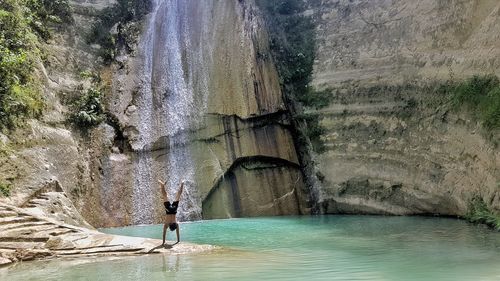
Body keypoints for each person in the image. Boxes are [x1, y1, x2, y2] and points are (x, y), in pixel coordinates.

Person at [158, 179, 184, 247]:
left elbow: (177, 233)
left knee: (178, 195)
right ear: (170, 226)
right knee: (165, 195)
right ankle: (162, 185)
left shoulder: (176, 224)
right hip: (169, 210)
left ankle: (182, 183)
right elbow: (164, 234)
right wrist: (163, 242)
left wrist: (178, 240)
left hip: (173, 210)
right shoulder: (167, 224)